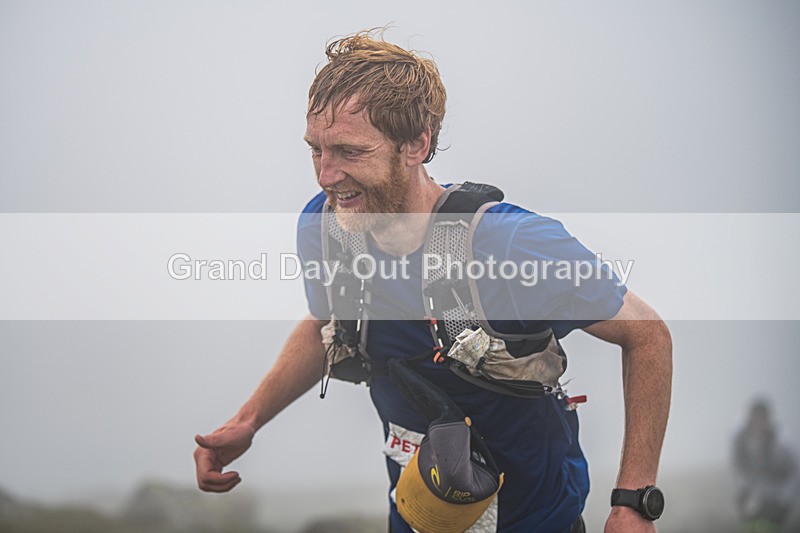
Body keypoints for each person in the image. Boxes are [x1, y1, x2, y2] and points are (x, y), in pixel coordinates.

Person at [194, 29, 673, 533]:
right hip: (416, 519)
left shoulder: (511, 244)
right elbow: (326, 326)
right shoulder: (328, 230)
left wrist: (634, 502)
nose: (326, 176)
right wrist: (248, 420)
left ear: (417, 144)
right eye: (316, 150)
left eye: (350, 152)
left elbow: (647, 334)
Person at [733, 398, 800, 532]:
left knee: (768, 527)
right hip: (756, 491)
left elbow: (795, 472)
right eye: (754, 419)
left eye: (761, 420)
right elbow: (738, 466)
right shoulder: (740, 438)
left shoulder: (782, 442)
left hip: (780, 493)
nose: (757, 424)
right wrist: (743, 489)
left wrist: (784, 497)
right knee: (748, 526)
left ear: (768, 419)